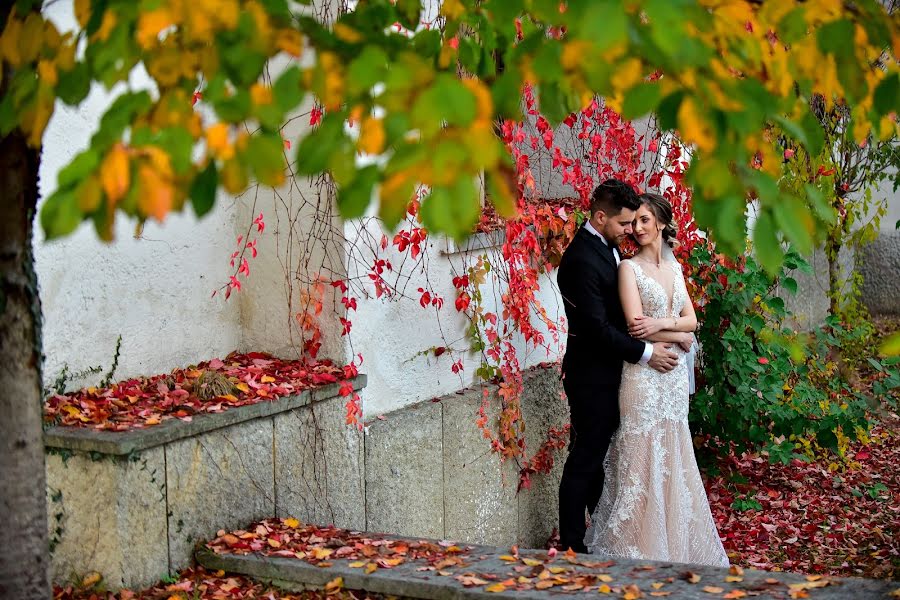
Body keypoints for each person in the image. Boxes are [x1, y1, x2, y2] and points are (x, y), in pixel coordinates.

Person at [584, 192, 728, 567]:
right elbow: (634, 327)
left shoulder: (675, 268)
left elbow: (692, 321)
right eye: (634, 222)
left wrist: (666, 325)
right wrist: (676, 333)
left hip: (674, 380)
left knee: (674, 453)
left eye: (645, 221)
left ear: (662, 223)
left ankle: (672, 545)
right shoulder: (627, 269)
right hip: (644, 378)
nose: (637, 228)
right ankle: (635, 547)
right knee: (640, 456)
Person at [556, 179, 679, 554]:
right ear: (600, 216)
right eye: (624, 224)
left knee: (600, 459)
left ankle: (600, 536)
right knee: (585, 458)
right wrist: (646, 353)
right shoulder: (579, 260)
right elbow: (597, 330)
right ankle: (573, 545)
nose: (631, 231)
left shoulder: (607, 248)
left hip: (613, 374)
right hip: (591, 376)